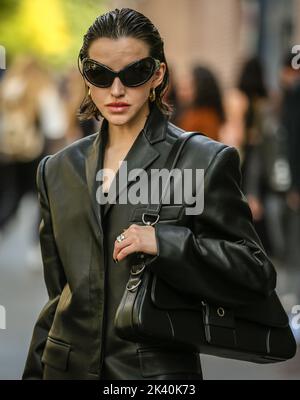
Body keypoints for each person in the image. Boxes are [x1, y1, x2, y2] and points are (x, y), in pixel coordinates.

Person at [23, 8, 276, 380]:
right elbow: (59, 297)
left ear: (157, 74)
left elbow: (254, 271)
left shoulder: (203, 161)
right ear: (85, 75)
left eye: (134, 73)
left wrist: (167, 242)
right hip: (64, 369)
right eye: (100, 74)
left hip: (155, 376)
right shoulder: (57, 169)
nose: (117, 90)